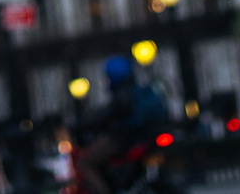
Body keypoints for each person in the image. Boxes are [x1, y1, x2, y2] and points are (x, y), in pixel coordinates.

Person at [73, 56, 171, 194]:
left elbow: (103, 117)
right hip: (140, 138)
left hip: (124, 140)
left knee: (85, 162)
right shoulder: (137, 90)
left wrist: (80, 125)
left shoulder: (122, 95)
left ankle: (102, 191)